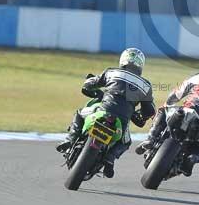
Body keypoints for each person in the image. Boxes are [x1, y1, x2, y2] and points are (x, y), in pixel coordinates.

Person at [56, 48, 156, 178]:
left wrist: (89, 84)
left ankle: (69, 140)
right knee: (125, 142)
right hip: (122, 122)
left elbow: (91, 83)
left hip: (103, 110)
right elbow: (149, 110)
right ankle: (110, 159)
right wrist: (140, 116)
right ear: (141, 65)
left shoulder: (112, 72)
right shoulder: (145, 85)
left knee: (79, 113)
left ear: (123, 60)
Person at [135, 59, 199, 176]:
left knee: (163, 110)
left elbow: (176, 94)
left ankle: (151, 138)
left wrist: (167, 104)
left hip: (188, 110)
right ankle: (192, 158)